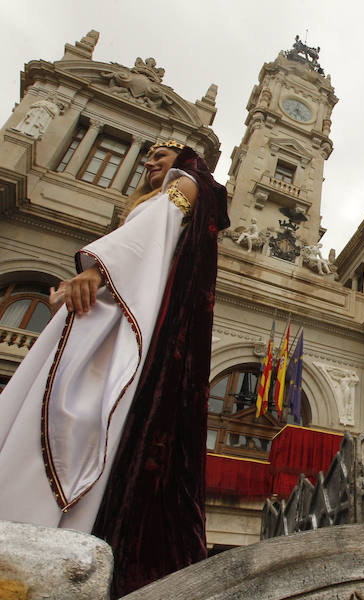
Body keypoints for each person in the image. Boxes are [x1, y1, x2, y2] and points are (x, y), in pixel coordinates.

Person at [0, 140, 228, 597]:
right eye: (148, 156)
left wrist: (96, 272)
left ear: (183, 161)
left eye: (159, 156)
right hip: (108, 307)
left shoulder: (183, 185)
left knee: (71, 413)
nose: (150, 162)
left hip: (111, 316)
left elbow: (150, 237)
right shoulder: (165, 193)